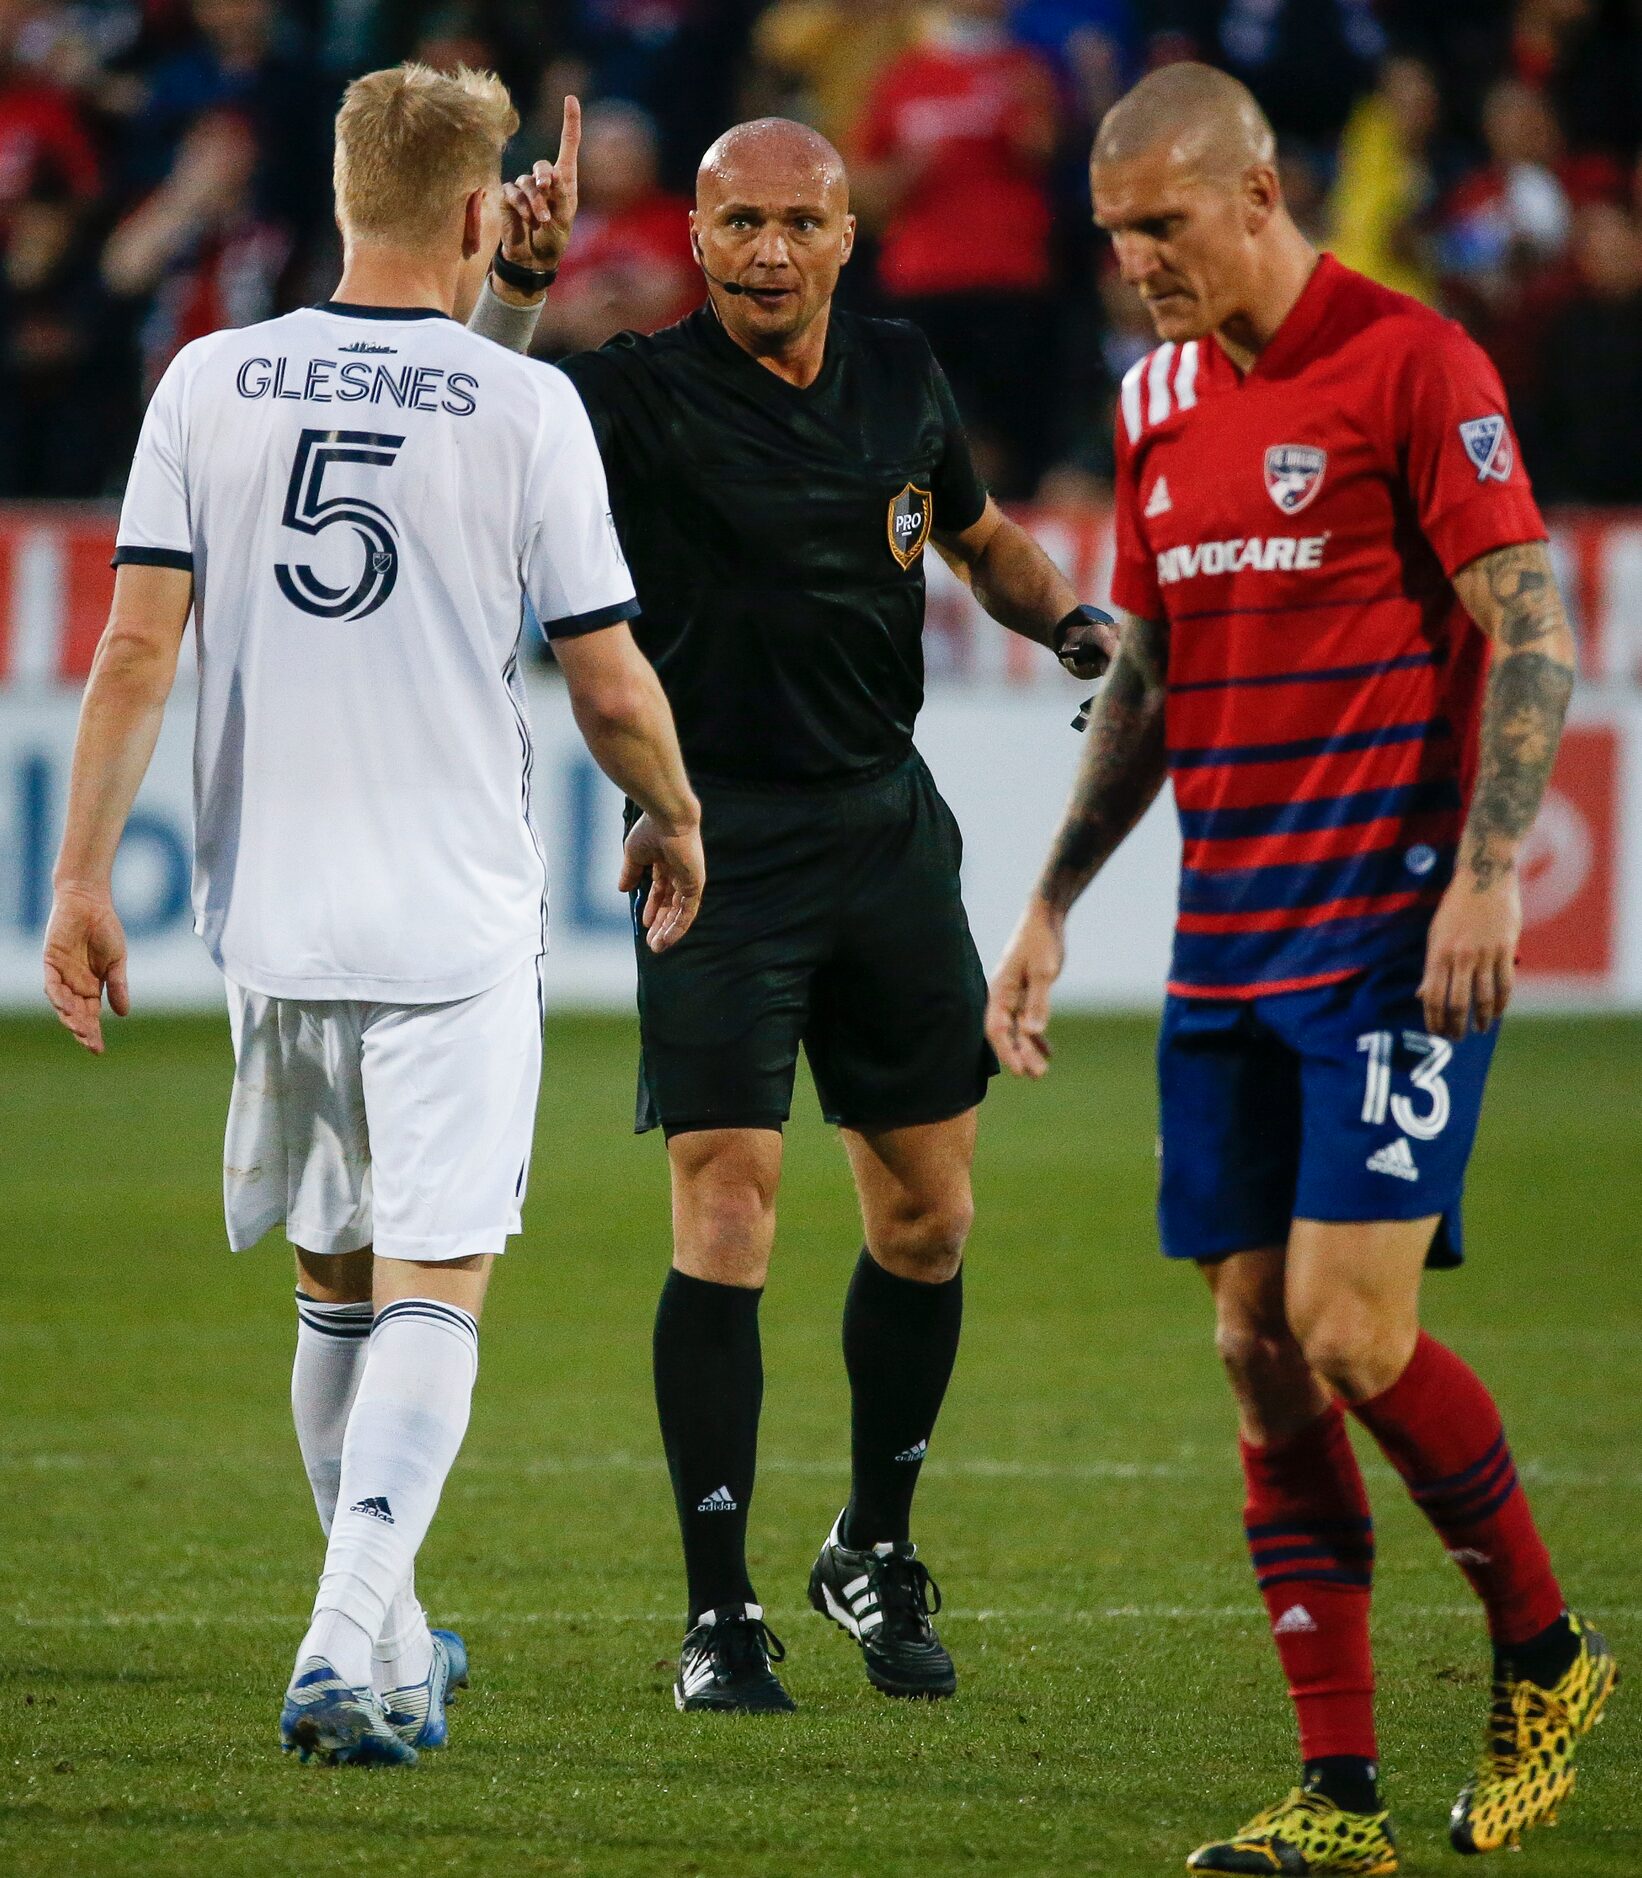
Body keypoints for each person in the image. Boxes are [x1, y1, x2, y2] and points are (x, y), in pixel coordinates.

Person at [987, 62, 1615, 1875]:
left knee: (1350, 1328)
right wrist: (1048, 902)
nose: (1135, 267)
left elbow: (1531, 625)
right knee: (1256, 1348)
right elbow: (1153, 684)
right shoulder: (1154, 401)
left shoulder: (1415, 365)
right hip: (1228, 939)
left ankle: (1549, 1655)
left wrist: (1488, 873)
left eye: (1161, 229)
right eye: (1110, 238)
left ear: (1257, 191)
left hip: (1389, 933)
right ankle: (1335, 1798)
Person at [42, 61, 702, 1768]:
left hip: (273, 924)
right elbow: (607, 673)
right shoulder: (520, 409)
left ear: (341, 196)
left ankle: (391, 1631)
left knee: (337, 1293)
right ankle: (346, 1636)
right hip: (450, 926)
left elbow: (132, 647)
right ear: (481, 209)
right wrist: (673, 805)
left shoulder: (209, 379)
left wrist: (77, 875)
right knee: (435, 1286)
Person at [469, 106, 1117, 1714]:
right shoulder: (625, 391)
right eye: (736, 222)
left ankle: (869, 1545)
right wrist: (515, 293)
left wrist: (1071, 621)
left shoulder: (902, 376)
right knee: (728, 1210)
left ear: (845, 237)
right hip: (713, 844)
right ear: (693, 237)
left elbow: (973, 539)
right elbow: (472, 445)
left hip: (888, 833)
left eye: (797, 224)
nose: (766, 250)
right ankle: (715, 1609)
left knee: (929, 1218)